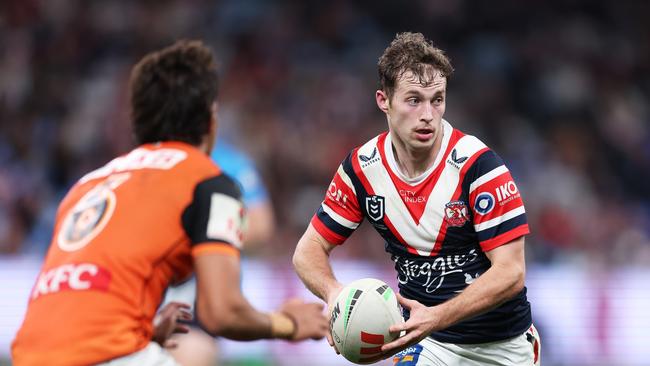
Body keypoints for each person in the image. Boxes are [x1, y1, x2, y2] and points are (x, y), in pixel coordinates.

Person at [11, 40, 328, 366]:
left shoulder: (87, 186)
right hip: (109, 353)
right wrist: (288, 324)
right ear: (211, 121)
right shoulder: (208, 181)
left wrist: (144, 331)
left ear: (137, 124)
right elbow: (221, 313)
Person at [292, 32, 541, 366]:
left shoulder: (479, 167)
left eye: (437, 100)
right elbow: (307, 252)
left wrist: (436, 316)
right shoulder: (362, 169)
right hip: (429, 345)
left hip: (502, 346)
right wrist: (335, 296)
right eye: (414, 100)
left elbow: (511, 273)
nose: (428, 114)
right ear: (384, 100)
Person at [163, 139, 276, 366]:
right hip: (148, 293)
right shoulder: (144, 164)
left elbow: (260, 225)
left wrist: (203, 235)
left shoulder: (227, 163)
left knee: (194, 351)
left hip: (197, 294)